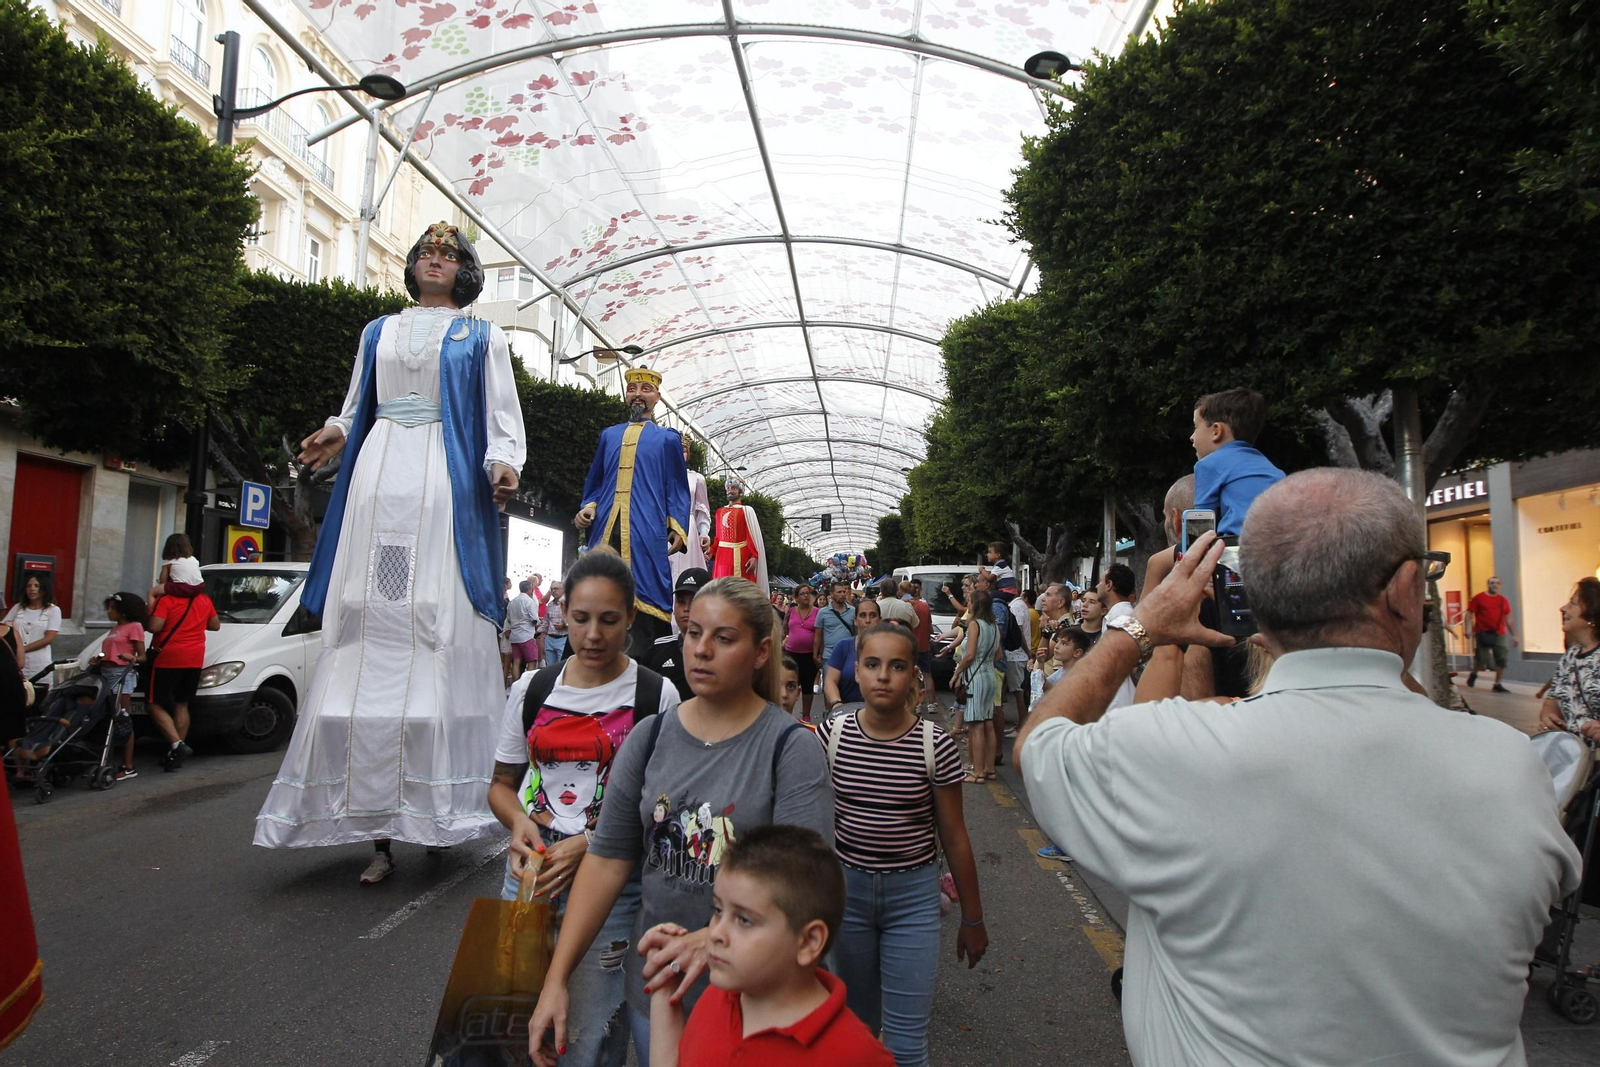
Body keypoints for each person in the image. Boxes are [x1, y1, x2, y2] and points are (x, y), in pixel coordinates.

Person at [1017, 469, 1581, 1067]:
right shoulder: (1510, 766)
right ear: (1407, 587)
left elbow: (1040, 743)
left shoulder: (1179, 752)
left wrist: (1140, 626)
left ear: (1251, 597)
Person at [255, 222, 526, 883]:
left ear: (463, 271)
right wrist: (337, 431)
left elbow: (501, 418)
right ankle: (379, 834)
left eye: (449, 254)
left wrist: (503, 463)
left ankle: (437, 812)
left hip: (442, 474)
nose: (436, 260)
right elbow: (357, 406)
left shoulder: (481, 336)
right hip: (379, 474)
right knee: (370, 614)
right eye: (427, 252)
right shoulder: (377, 331)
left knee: (434, 614)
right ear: (414, 266)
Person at [526, 577, 834, 1066]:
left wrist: (712, 938)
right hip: (659, 988)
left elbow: (806, 884)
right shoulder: (650, 737)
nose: (702, 650)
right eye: (693, 633)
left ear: (761, 652)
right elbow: (607, 859)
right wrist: (556, 979)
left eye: (724, 638)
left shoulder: (789, 749)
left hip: (753, 997)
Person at [489, 549, 680, 1067]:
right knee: (513, 1019)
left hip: (613, 879)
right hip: (529, 874)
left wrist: (593, 842)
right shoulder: (532, 689)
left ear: (631, 619)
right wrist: (521, 822)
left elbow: (663, 809)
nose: (593, 634)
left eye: (609, 620)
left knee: (590, 1028)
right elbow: (502, 786)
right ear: (562, 614)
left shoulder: (655, 695)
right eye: (581, 618)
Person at [820, 623, 986, 1065]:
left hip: (913, 900)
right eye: (872, 665)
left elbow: (954, 835)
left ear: (914, 675)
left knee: (907, 1044)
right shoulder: (831, 737)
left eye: (897, 666)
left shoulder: (934, 745)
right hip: (846, 896)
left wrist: (973, 918)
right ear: (856, 669)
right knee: (854, 1030)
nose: (883, 676)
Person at [645, 825, 894, 1067]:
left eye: (744, 919)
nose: (716, 932)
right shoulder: (716, 999)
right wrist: (665, 995)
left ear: (809, 942)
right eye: (718, 910)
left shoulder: (857, 1055)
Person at [575, 367, 691, 654]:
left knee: (647, 584)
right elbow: (595, 481)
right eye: (632, 389)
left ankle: (646, 656)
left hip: (645, 528)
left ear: (657, 398)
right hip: (605, 527)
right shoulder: (608, 436)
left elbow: (676, 486)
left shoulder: (668, 439)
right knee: (597, 579)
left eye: (645, 389)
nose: (638, 394)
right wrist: (588, 506)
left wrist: (677, 526)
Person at [1190, 387, 1285, 537]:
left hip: (1236, 547)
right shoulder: (1272, 470)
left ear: (1216, 431)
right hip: (1277, 546)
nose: (1192, 437)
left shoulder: (1209, 465)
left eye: (1196, 427)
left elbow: (1201, 527)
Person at [146, 584, 221, 771]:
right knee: (182, 703)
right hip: (194, 658)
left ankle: (177, 745)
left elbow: (155, 626)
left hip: (168, 658)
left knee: (154, 703)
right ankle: (175, 754)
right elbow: (215, 625)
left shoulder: (166, 600)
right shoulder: (204, 599)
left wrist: (151, 597)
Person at [92, 592, 147, 781]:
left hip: (122, 674)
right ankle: (107, 760)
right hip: (106, 673)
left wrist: (132, 658)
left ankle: (128, 764)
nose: (108, 612)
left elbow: (142, 656)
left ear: (122, 611)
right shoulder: (116, 629)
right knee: (110, 718)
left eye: (112, 608)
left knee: (122, 718)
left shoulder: (134, 627)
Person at [1537, 577, 1600, 740]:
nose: (1563, 608)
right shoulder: (1570, 656)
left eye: (1573, 603)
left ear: (1591, 614)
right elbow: (1552, 701)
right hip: (1576, 759)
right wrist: (1548, 716)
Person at [952, 588, 999, 783]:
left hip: (975, 677)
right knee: (988, 722)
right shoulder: (994, 626)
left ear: (976, 605)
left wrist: (957, 672)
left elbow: (969, 655)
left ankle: (977, 772)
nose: (967, 605)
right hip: (990, 675)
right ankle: (990, 768)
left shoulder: (975, 625)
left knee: (976, 725)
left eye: (970, 602)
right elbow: (999, 655)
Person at [644, 568, 711, 702]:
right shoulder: (657, 649)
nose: (686, 609)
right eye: (681, 601)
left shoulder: (720, 653)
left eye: (693, 601)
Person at [822, 597, 883, 715]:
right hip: (846, 713)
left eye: (873, 615)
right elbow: (830, 681)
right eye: (863, 615)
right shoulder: (843, 647)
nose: (868, 620)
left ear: (880, 620)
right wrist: (837, 703)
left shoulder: (889, 648)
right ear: (855, 620)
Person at [4, 575, 60, 696]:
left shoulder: (53, 610)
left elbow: (49, 638)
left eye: (36, 586)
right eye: (29, 586)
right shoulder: (18, 608)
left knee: (38, 696)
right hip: (16, 662)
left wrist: (22, 650)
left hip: (38, 662)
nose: (32, 589)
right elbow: (4, 628)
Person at [710, 476, 768, 592]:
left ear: (740, 492)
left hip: (740, 556)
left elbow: (750, 536)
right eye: (728, 488)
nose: (730, 491)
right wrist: (711, 551)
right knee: (720, 588)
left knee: (739, 589)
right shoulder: (719, 512)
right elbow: (718, 537)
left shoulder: (746, 511)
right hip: (721, 557)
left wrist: (754, 556)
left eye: (734, 488)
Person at [1465, 576, 1519, 692]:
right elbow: (1469, 614)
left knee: (1502, 659)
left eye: (1497, 583)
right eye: (1492, 583)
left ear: (1500, 586)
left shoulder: (1503, 600)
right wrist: (1468, 629)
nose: (1494, 585)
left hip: (1499, 633)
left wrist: (1514, 635)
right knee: (1482, 659)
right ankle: (1474, 673)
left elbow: (1509, 619)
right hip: (1482, 632)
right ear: (1488, 585)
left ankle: (1497, 683)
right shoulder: (1479, 598)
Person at [672, 435, 714, 584]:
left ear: (688, 454)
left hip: (688, 529)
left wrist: (704, 533)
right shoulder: (660, 477)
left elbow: (703, 511)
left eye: (684, 450)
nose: (680, 453)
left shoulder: (697, 479)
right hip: (664, 528)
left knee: (686, 572)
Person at [782, 585, 821, 722]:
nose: (806, 596)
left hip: (809, 655)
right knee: (790, 683)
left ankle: (806, 715)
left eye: (808, 593)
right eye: (803, 594)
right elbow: (785, 628)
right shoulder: (791, 611)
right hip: (791, 653)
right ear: (797, 597)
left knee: (807, 685)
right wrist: (783, 640)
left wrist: (818, 653)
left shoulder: (817, 612)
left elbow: (819, 634)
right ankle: (786, 714)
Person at [147, 533, 204, 602]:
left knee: (151, 592)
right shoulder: (193, 559)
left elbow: (163, 582)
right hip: (199, 587)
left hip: (180, 587)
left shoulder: (169, 561)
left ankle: (153, 611)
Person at [815, 581, 856, 669]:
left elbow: (857, 632)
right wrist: (816, 654)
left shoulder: (853, 611)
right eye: (839, 592)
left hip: (848, 654)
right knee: (829, 681)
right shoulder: (822, 612)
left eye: (844, 592)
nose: (842, 594)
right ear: (832, 594)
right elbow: (818, 635)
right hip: (829, 655)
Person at [906, 582, 934, 708]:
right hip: (924, 645)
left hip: (911, 646)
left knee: (915, 676)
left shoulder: (906, 606)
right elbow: (930, 627)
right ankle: (932, 703)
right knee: (927, 675)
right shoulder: (925, 606)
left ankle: (916, 704)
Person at [508, 579, 542, 676]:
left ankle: (515, 685)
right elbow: (534, 618)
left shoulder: (512, 602)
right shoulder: (529, 601)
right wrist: (539, 623)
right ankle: (527, 685)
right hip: (526, 635)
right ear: (530, 589)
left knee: (516, 662)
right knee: (532, 661)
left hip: (514, 636)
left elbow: (509, 618)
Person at [543, 580, 569, 666]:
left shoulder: (568, 603)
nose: (553, 591)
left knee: (562, 667)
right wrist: (537, 631)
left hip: (563, 638)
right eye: (551, 589)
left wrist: (564, 625)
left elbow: (575, 621)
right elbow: (546, 621)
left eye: (556, 588)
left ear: (563, 589)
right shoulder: (550, 604)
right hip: (550, 638)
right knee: (550, 667)